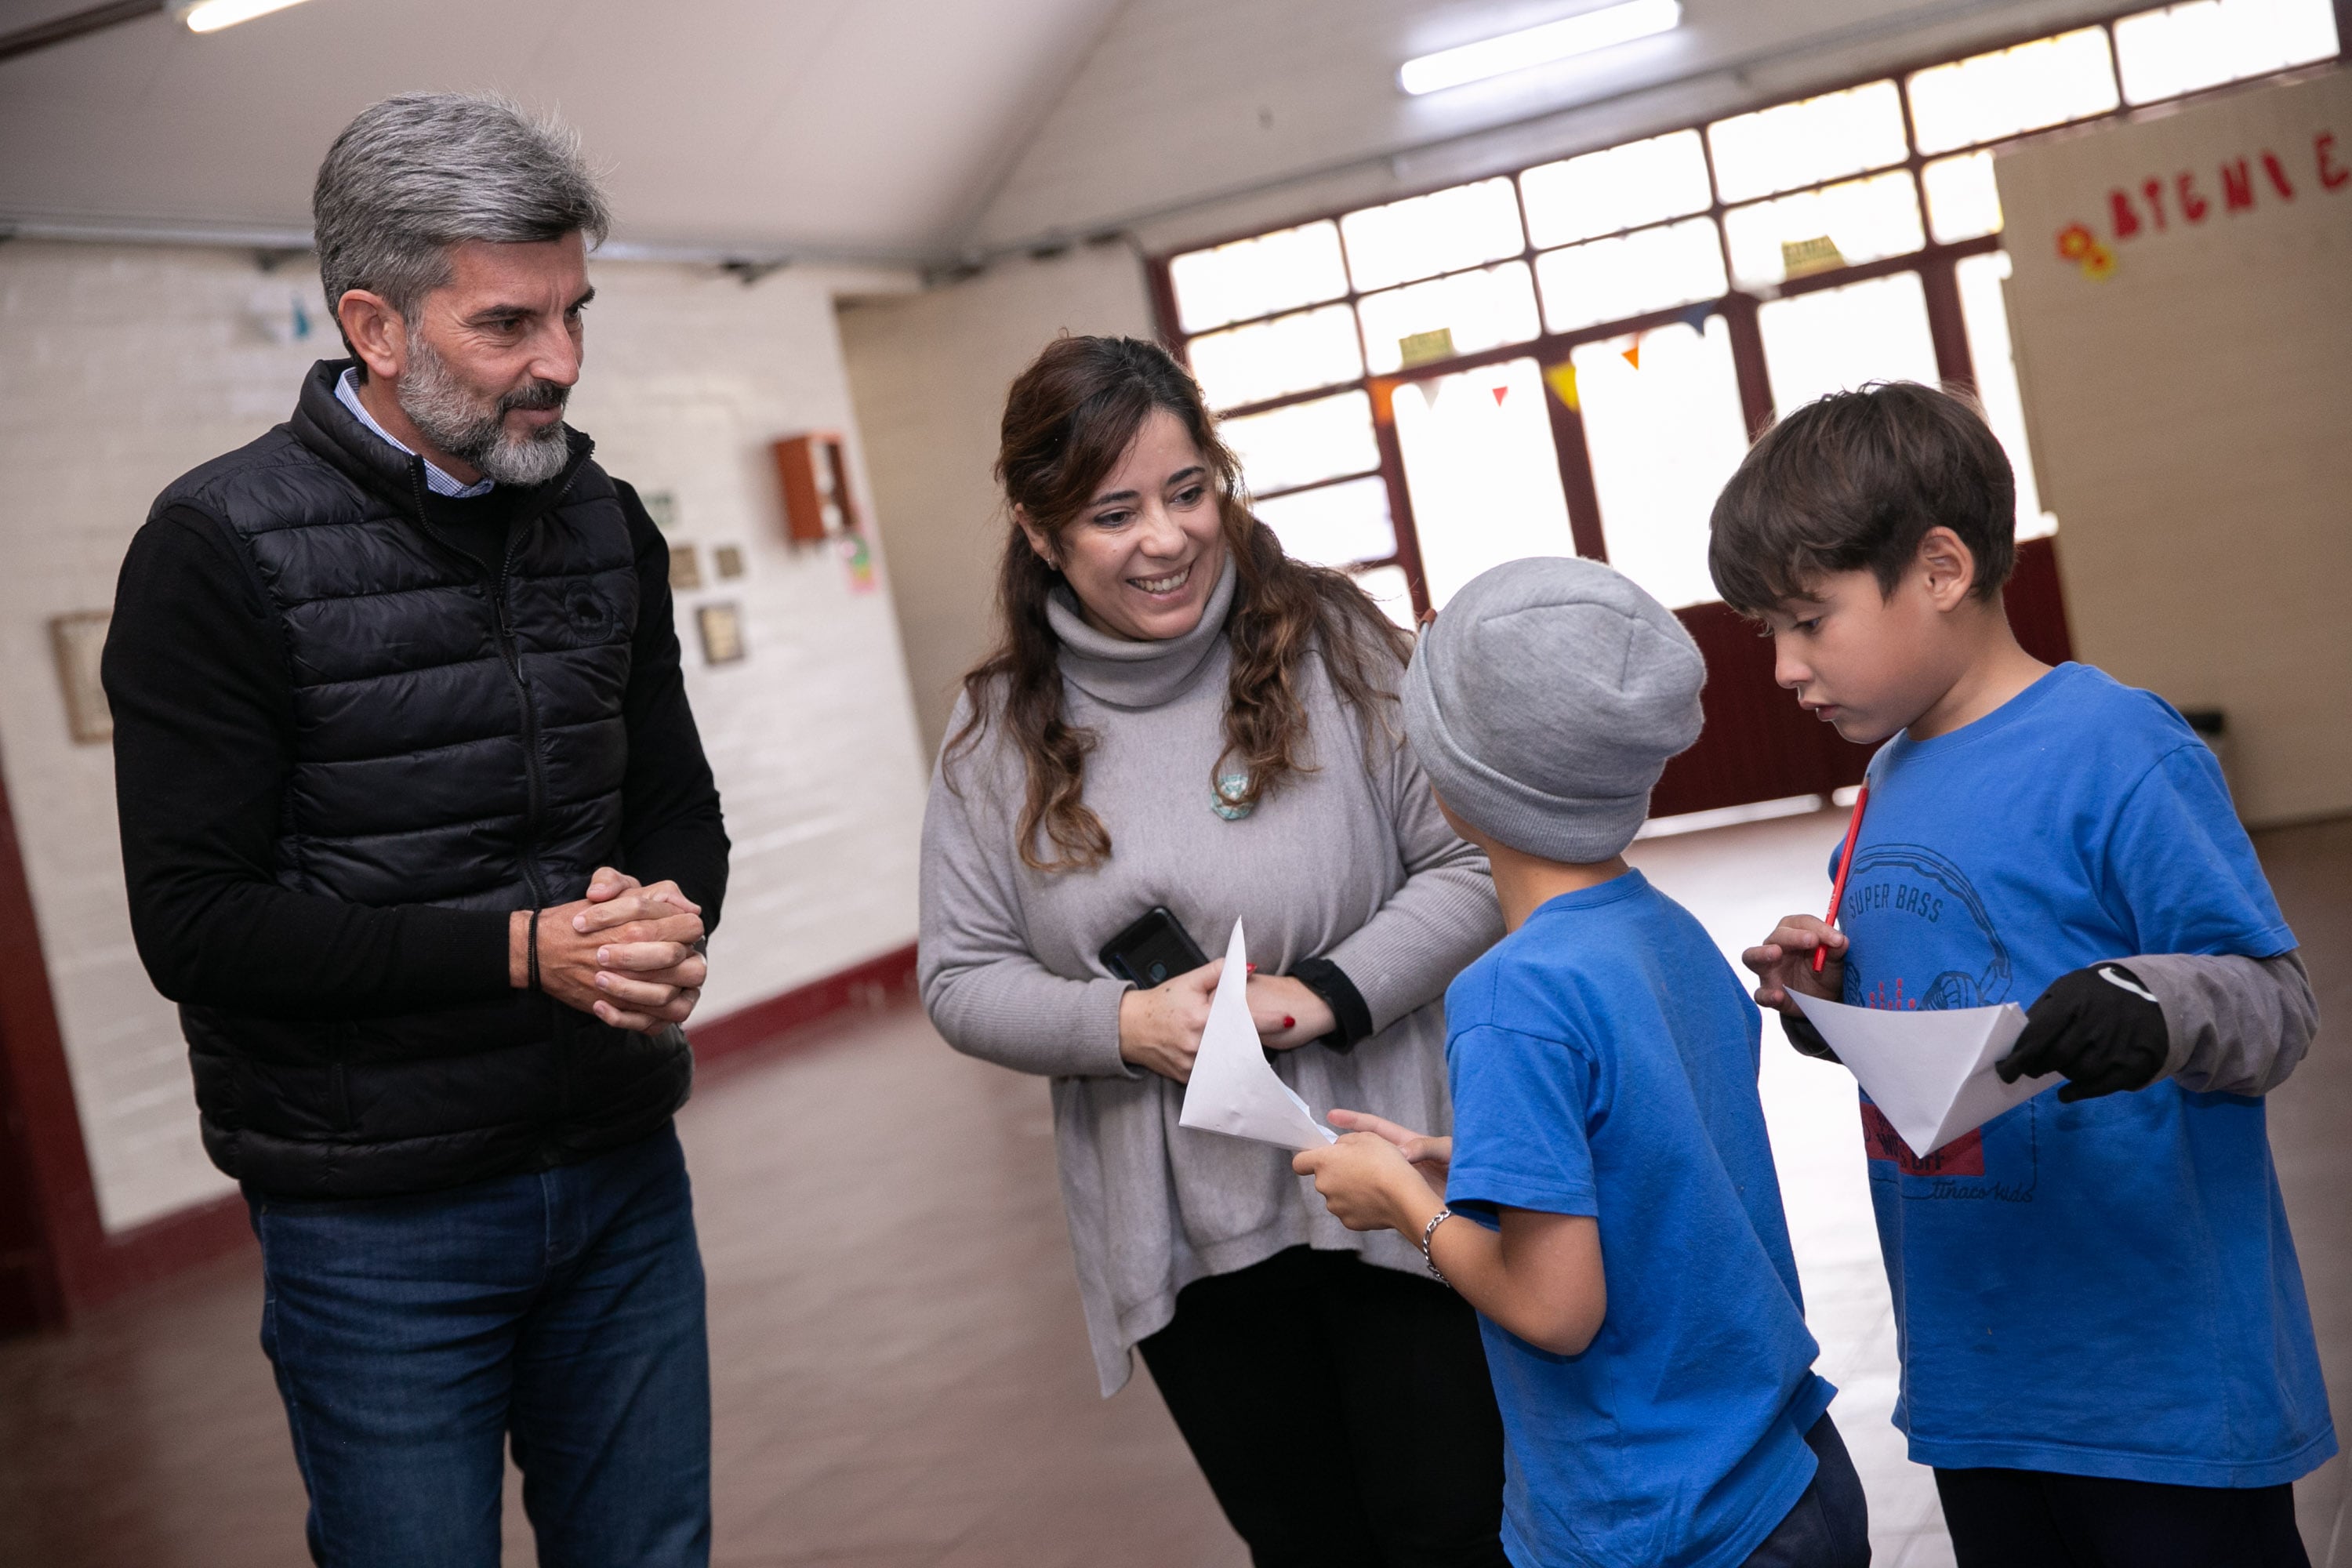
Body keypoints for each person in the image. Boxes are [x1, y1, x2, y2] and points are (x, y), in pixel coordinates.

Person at [102, 95, 728, 1568]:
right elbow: (194, 922)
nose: (560, 365)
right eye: (509, 324)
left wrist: (670, 921)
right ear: (374, 327)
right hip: (376, 1222)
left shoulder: (602, 518)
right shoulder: (214, 549)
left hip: (620, 1164)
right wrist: (525, 954)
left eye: (575, 313)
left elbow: (671, 801)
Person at [918, 335, 1508, 1566]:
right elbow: (960, 979)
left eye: (1190, 492)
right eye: (1113, 513)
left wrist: (1323, 997)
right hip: (1186, 1229)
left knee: (1456, 1529)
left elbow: (1466, 870)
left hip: (1394, 1177)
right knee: (1307, 1544)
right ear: (1040, 533)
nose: (1167, 538)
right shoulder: (993, 734)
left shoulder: (1338, 644)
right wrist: (1121, 1029)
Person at [1718, 383, 2330, 1568]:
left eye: (1809, 621)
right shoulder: (1886, 777)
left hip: (2156, 1398)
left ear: (1942, 567)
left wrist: (2156, 1007)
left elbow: (2277, 1005)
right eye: (1767, 635)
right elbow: (1930, 1019)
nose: (1787, 668)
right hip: (1981, 1386)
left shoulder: (2117, 747)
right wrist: (1821, 1007)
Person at [1296, 557, 1867, 1568]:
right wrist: (1473, 1159)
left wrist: (1404, 1205)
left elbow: (1557, 1312)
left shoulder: (1510, 998)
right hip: (1787, 1475)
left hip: (1657, 1523)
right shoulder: (1667, 930)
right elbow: (1655, 1149)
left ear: (1454, 779)